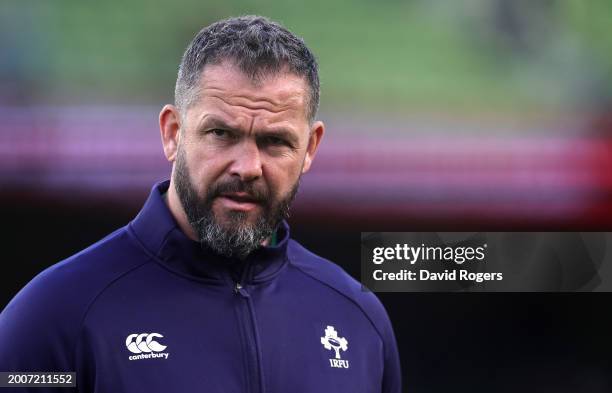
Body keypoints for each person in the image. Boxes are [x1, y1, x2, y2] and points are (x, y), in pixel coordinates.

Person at [0, 15, 401, 393]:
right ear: (173, 133)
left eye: (275, 142)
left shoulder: (358, 320)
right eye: (221, 133)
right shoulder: (52, 317)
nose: (247, 168)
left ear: (310, 148)